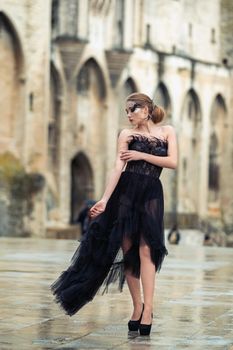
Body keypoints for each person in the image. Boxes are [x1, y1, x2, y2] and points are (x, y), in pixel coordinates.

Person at [50, 92, 178, 336]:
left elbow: (172, 162)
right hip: (126, 193)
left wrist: (141, 155)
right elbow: (118, 167)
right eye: (126, 111)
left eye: (133, 109)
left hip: (151, 193)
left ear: (147, 110)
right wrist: (105, 200)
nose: (129, 115)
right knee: (129, 250)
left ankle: (149, 309)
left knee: (148, 249)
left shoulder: (167, 131)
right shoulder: (125, 135)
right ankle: (137, 306)